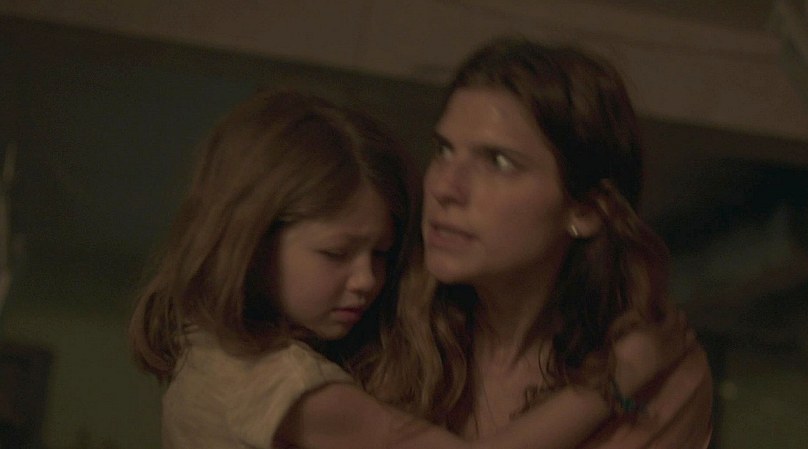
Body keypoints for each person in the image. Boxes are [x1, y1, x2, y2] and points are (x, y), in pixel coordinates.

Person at [127, 89, 691, 449]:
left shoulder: (208, 347)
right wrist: (616, 381)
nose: (367, 280)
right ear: (250, 244)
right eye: (336, 253)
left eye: (381, 254)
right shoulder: (277, 384)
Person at [354, 37, 714, 448]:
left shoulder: (663, 377)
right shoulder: (373, 314)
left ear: (587, 211)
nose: (444, 187)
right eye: (444, 150)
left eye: (498, 162)